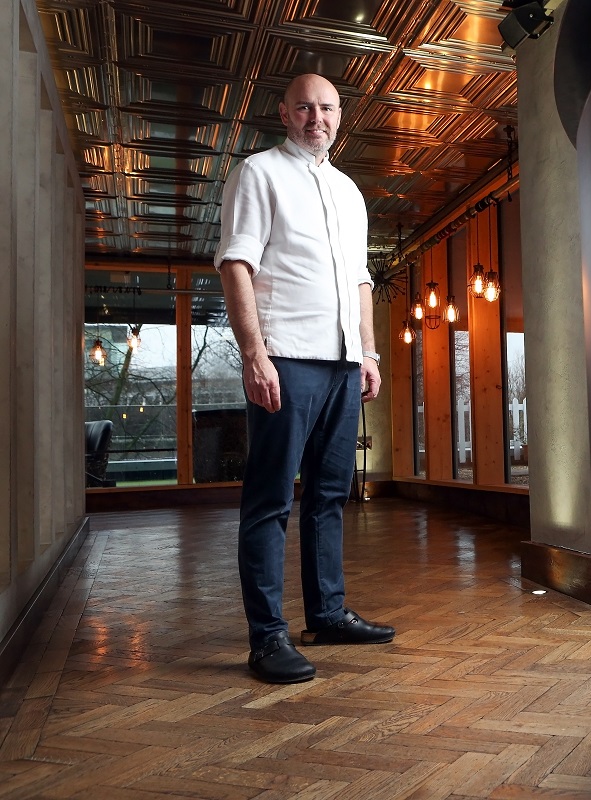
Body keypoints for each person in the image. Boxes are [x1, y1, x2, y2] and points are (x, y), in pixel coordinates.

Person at [215, 73, 394, 684]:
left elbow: (361, 280)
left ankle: (327, 614)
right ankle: (267, 638)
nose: (316, 118)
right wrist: (254, 354)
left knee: (329, 497)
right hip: (286, 358)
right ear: (285, 114)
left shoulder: (349, 191)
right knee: (270, 501)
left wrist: (368, 353)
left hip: (344, 364)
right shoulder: (258, 173)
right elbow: (236, 265)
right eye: (304, 108)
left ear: (340, 116)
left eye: (327, 108)